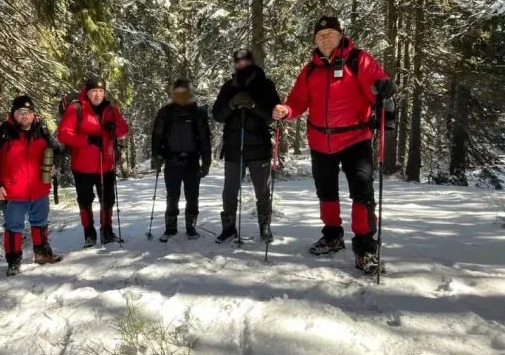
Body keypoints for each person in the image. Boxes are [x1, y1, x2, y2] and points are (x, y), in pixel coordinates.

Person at [273, 15, 397, 274]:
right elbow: (298, 99)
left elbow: (374, 80)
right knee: (326, 193)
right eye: (320, 35)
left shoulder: (358, 59)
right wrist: (286, 109)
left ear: (341, 36)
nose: (325, 38)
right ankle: (332, 236)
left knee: (362, 194)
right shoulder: (310, 70)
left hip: (355, 138)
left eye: (330, 33)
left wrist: (381, 85)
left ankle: (364, 248)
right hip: (320, 140)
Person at [0, 95, 64, 276]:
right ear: (13, 114)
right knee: (13, 227)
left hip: (39, 189)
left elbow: (57, 151)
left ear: (33, 114)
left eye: (28, 112)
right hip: (13, 192)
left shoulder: (42, 131)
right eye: (20, 112)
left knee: (40, 223)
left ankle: (42, 254)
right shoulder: (2, 134)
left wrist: (54, 166)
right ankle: (13, 262)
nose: (25, 116)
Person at [211, 48, 282, 244]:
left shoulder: (265, 85)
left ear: (251, 61)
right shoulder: (228, 87)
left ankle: (265, 227)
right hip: (234, 148)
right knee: (229, 191)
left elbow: (273, 115)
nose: (241, 64)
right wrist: (232, 105)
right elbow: (217, 115)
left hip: (259, 147)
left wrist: (254, 106)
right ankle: (229, 228)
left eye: (245, 61)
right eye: (238, 61)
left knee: (262, 191)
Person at [58, 76, 130, 247]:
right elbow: (63, 134)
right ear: (87, 92)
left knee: (108, 200)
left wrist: (115, 129)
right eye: (94, 91)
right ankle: (89, 233)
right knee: (85, 200)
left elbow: (124, 129)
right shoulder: (76, 108)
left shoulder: (111, 108)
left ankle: (107, 231)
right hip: (82, 166)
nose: (97, 95)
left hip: (106, 165)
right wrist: (87, 139)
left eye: (100, 91)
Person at [151, 79, 212, 241]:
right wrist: (156, 156)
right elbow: (157, 136)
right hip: (171, 160)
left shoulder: (198, 113)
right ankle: (170, 227)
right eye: (177, 92)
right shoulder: (165, 112)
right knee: (172, 196)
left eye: (184, 92)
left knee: (192, 196)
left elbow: (205, 139)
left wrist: (207, 162)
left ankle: (191, 226)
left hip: (192, 161)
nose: (181, 95)